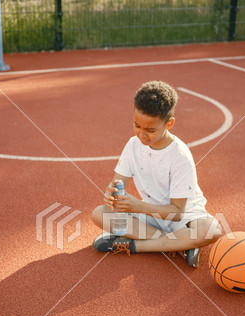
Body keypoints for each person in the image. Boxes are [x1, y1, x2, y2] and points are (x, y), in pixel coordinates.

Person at [91, 80, 222, 267]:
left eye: (150, 130)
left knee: (211, 230)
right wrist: (112, 195)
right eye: (137, 125)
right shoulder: (132, 145)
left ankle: (136, 246)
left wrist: (137, 206)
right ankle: (178, 246)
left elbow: (176, 213)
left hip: (185, 218)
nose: (142, 135)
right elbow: (116, 183)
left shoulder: (180, 155)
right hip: (151, 217)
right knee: (99, 213)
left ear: (169, 123)